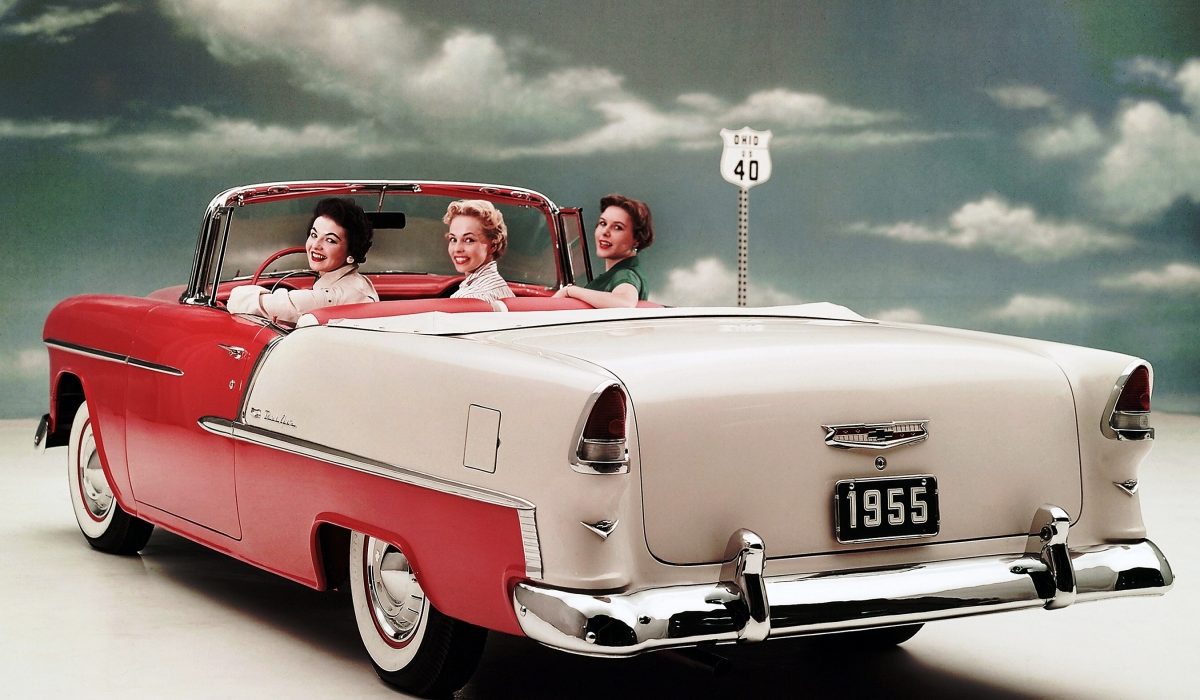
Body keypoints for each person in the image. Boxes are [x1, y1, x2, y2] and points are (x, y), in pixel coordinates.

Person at [228, 197, 378, 324]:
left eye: (330, 240)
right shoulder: (360, 283)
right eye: (314, 235)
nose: (316, 245)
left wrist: (257, 293)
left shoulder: (331, 296)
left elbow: (238, 301)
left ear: (351, 251)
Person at [554, 194, 653, 308]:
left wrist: (570, 291)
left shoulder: (625, 274)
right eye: (603, 223)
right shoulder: (623, 271)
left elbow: (625, 302)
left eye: (617, 227)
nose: (605, 232)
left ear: (637, 239)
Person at [444, 199, 514, 310]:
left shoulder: (466, 298)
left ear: (493, 246)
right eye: (453, 239)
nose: (457, 249)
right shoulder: (502, 288)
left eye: (469, 240)